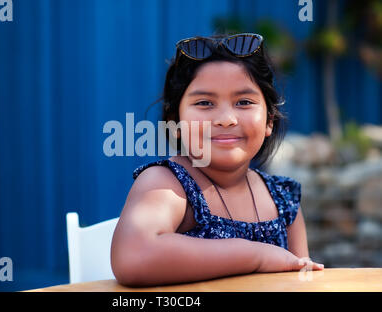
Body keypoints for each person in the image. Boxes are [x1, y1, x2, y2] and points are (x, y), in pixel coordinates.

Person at [111, 33, 324, 287]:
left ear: (269, 120)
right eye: (204, 103)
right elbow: (133, 256)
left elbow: (301, 283)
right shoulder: (167, 185)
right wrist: (255, 255)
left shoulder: (283, 200)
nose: (225, 118)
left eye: (244, 102)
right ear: (175, 123)